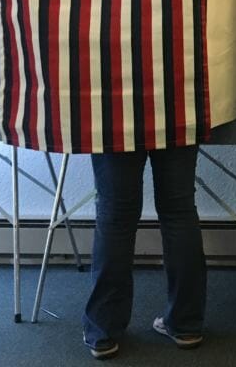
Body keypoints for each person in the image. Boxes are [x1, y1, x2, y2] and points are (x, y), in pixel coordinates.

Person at [82, 146, 207, 360]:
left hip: (113, 115)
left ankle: (104, 330)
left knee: (115, 213)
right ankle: (185, 325)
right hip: (176, 113)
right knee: (179, 209)